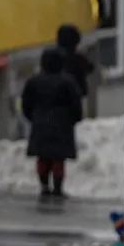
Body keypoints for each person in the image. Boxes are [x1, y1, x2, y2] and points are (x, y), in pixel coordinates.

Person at [20, 47, 83, 197]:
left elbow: (26, 104)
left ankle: (44, 185)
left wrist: (34, 117)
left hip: (40, 124)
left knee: (42, 158)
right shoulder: (67, 82)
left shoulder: (34, 81)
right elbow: (76, 104)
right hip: (62, 124)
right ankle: (58, 187)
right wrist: (73, 119)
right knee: (58, 159)